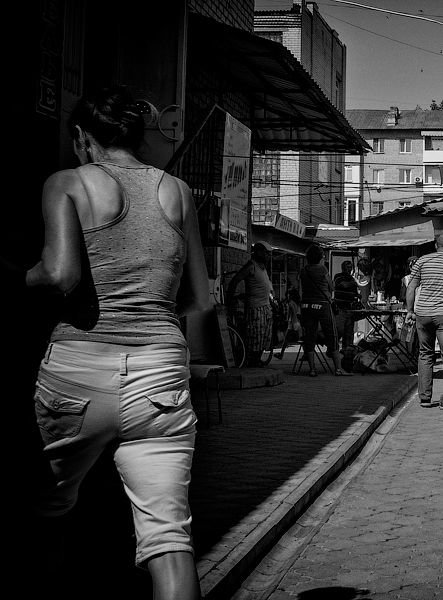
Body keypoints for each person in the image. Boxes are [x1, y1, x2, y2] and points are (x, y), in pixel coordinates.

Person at [25, 85, 210, 599]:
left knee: (44, 513)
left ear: (83, 137)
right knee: (169, 538)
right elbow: (199, 300)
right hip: (159, 376)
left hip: (78, 372)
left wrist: (19, 277)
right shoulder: (176, 190)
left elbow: (60, 274)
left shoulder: (67, 182)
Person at [406, 234, 443, 409]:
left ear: (435, 245)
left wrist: (409, 311)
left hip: (422, 314)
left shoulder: (422, 261)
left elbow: (411, 288)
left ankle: (424, 398)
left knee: (425, 354)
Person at [299, 244, 350, 376]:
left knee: (310, 337)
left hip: (306, 306)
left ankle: (312, 369)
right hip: (322, 305)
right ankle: (338, 369)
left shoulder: (303, 270)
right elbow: (332, 287)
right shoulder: (323, 269)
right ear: (320, 257)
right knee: (332, 335)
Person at [226, 241, 274, 367]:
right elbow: (235, 280)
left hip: (266, 307)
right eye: (266, 253)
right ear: (259, 253)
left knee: (264, 338)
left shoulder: (263, 267)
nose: (268, 256)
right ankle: (252, 363)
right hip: (255, 309)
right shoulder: (251, 266)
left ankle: (256, 361)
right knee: (255, 338)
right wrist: (228, 301)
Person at [333, 260, 360, 352]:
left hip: (350, 309)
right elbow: (343, 285)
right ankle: (333, 348)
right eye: (348, 267)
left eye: (350, 268)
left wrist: (357, 296)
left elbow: (355, 293)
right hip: (340, 309)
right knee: (339, 329)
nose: (349, 269)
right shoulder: (338, 277)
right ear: (343, 268)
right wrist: (353, 283)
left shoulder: (352, 279)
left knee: (349, 333)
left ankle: (347, 351)